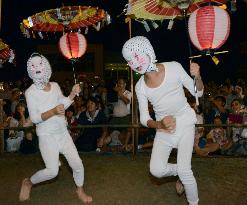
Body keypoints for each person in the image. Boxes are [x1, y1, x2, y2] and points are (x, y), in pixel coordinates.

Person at [122, 36, 204, 205]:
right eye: (129, 60)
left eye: (136, 56)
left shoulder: (174, 67)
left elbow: (199, 93)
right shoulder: (140, 87)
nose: (134, 63)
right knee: (156, 170)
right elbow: (145, 118)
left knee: (185, 171)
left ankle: (188, 185)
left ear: (147, 51)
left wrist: (197, 76)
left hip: (186, 122)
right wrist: (159, 124)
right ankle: (181, 171)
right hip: (163, 128)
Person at [19, 53, 92, 204]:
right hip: (46, 135)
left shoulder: (56, 86)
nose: (38, 68)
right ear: (30, 70)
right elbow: (34, 118)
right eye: (34, 66)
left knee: (77, 164)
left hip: (62, 132)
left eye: (41, 65)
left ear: (46, 66)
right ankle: (28, 182)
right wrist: (53, 111)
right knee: (52, 171)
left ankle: (80, 189)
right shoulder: (30, 92)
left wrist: (72, 94)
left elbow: (62, 105)